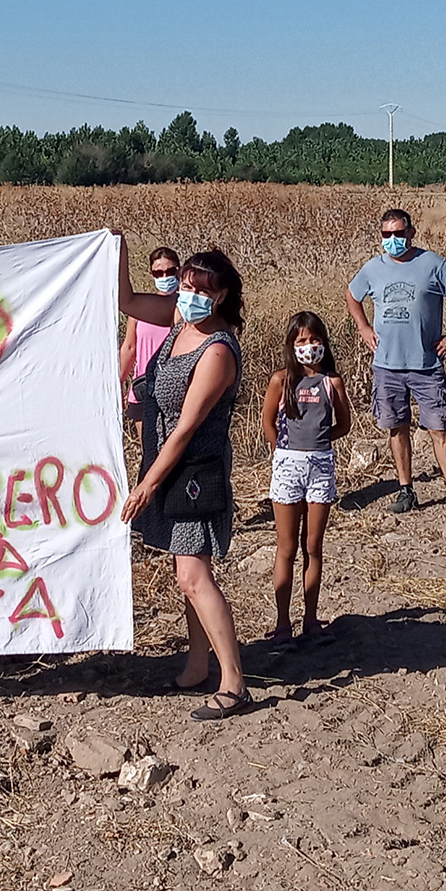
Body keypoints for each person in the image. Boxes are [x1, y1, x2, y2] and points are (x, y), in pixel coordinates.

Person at [118, 236, 252, 722]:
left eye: (199, 290)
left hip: (193, 473)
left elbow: (185, 429)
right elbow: (127, 302)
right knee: (185, 575)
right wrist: (119, 251)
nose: (188, 296)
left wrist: (148, 484)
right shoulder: (179, 323)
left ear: (220, 296)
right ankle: (198, 665)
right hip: (166, 466)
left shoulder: (217, 352)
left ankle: (234, 683)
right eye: (185, 288)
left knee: (195, 577)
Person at [346, 208, 446, 520]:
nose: (393, 240)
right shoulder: (373, 268)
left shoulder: (432, 263)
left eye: (399, 233)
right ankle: (407, 490)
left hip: (426, 363)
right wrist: (363, 327)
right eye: (387, 235)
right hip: (387, 365)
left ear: (411, 232)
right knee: (396, 427)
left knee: (437, 428)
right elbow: (352, 296)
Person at [259, 311, 352, 643]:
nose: (309, 347)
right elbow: (268, 421)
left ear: (324, 343)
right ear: (291, 345)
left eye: (314, 340)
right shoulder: (280, 381)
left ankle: (310, 618)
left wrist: (320, 441)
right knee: (286, 547)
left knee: (313, 545)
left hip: (321, 466)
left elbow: (344, 423)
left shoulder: (332, 382)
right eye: (301, 341)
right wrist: (282, 450)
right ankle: (283, 622)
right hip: (288, 466)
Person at [118, 246, 181, 443]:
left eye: (170, 271)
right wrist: (117, 383)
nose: (165, 276)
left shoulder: (186, 308)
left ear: (179, 270)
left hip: (175, 388)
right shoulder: (139, 309)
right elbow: (129, 348)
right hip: (143, 389)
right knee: (149, 450)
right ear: (151, 274)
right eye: (159, 273)